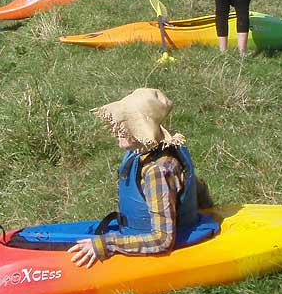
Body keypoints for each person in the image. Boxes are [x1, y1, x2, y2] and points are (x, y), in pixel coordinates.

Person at [68, 88, 216, 268]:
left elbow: (162, 240)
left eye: (125, 123)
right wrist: (207, 209)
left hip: (164, 243)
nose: (116, 128)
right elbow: (198, 187)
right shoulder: (143, 152)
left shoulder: (157, 172)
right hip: (134, 229)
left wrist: (105, 244)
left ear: (141, 129)